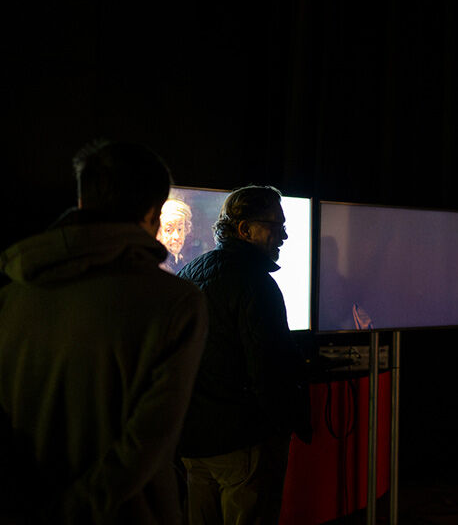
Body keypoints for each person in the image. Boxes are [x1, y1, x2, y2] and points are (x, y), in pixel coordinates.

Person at [0, 140, 209, 524]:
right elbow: (145, 445)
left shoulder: (12, 294)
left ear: (82, 201)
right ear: (152, 214)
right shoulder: (176, 304)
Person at [177, 185, 311, 525]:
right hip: (243, 445)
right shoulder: (256, 283)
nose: (283, 235)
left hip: (195, 444)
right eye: (276, 225)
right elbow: (269, 367)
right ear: (244, 229)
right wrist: (281, 426)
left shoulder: (191, 273)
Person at [157, 197, 193, 273]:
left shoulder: (184, 263)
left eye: (180, 229)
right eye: (169, 230)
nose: (177, 236)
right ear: (157, 232)